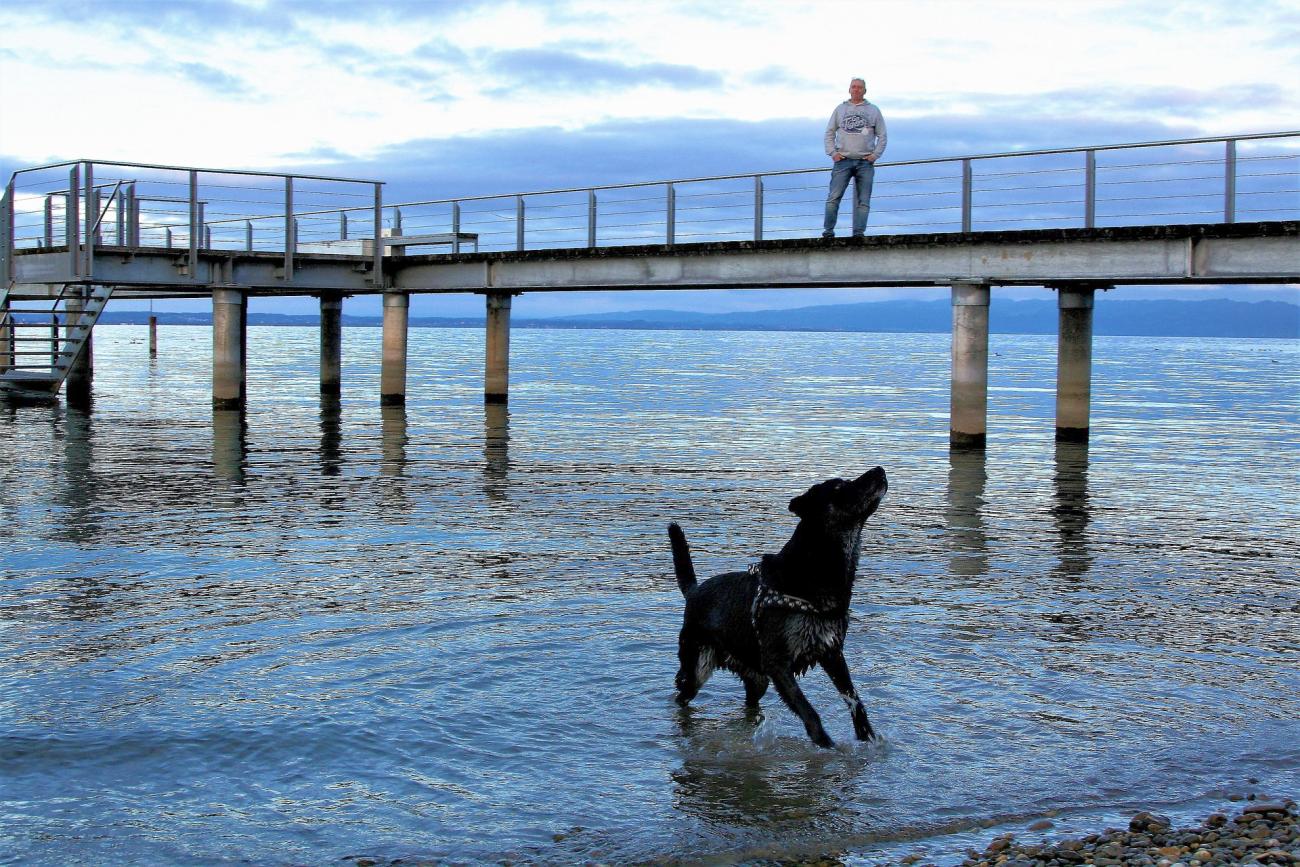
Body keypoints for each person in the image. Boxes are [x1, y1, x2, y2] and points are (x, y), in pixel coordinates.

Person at [822, 78, 887, 238]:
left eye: (860, 87)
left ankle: (859, 233)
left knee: (863, 201)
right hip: (842, 160)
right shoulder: (840, 109)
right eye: (854, 87)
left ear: (865, 90)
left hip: (865, 162)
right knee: (833, 198)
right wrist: (833, 153)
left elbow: (882, 135)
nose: (856, 90)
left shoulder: (873, 110)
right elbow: (829, 132)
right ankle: (828, 232)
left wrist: (875, 155)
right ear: (849, 89)